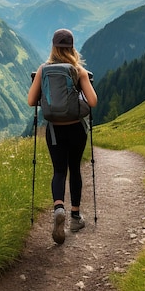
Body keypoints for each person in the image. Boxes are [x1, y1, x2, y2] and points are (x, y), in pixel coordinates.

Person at [28, 28, 98, 245]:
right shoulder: (79, 71)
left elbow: (31, 101)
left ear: (53, 46)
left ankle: (59, 208)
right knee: (75, 169)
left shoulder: (43, 69)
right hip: (76, 129)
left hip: (54, 130)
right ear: (72, 47)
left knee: (59, 171)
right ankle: (75, 217)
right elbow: (93, 102)